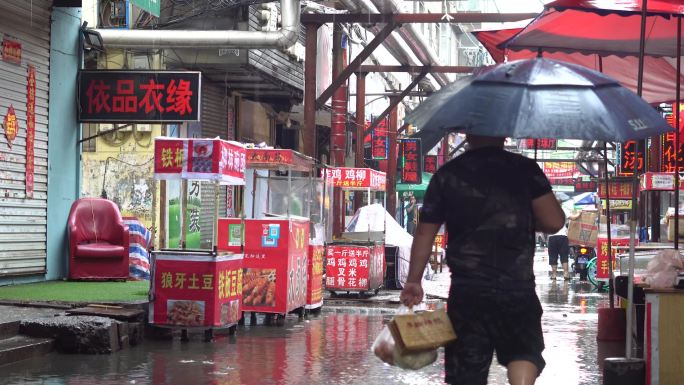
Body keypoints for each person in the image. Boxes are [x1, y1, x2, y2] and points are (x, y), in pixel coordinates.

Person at [400, 134, 565, 385]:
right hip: (517, 287)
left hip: (468, 291)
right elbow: (554, 221)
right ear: (503, 133)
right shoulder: (525, 169)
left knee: (467, 369)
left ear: (467, 133)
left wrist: (414, 280)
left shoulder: (447, 174)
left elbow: (425, 231)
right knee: (522, 351)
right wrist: (525, 222)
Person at [547, 201, 577, 280]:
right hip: (562, 237)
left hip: (552, 236)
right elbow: (573, 218)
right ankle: (566, 274)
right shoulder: (563, 210)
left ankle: (553, 275)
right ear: (560, 204)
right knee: (564, 256)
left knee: (553, 256)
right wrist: (579, 213)